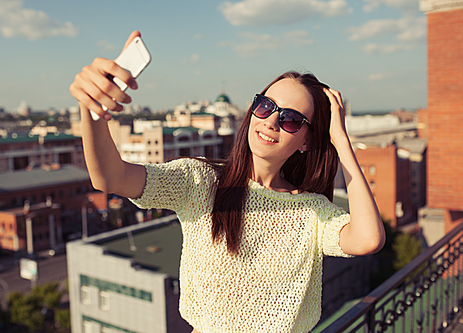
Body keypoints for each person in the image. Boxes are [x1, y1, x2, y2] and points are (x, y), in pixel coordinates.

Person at [70, 31, 385, 333]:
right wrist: (92, 107)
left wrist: (341, 140)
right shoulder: (199, 183)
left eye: (290, 119)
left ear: (307, 140)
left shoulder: (312, 211)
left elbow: (368, 239)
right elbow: (110, 178)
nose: (271, 121)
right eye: (265, 106)